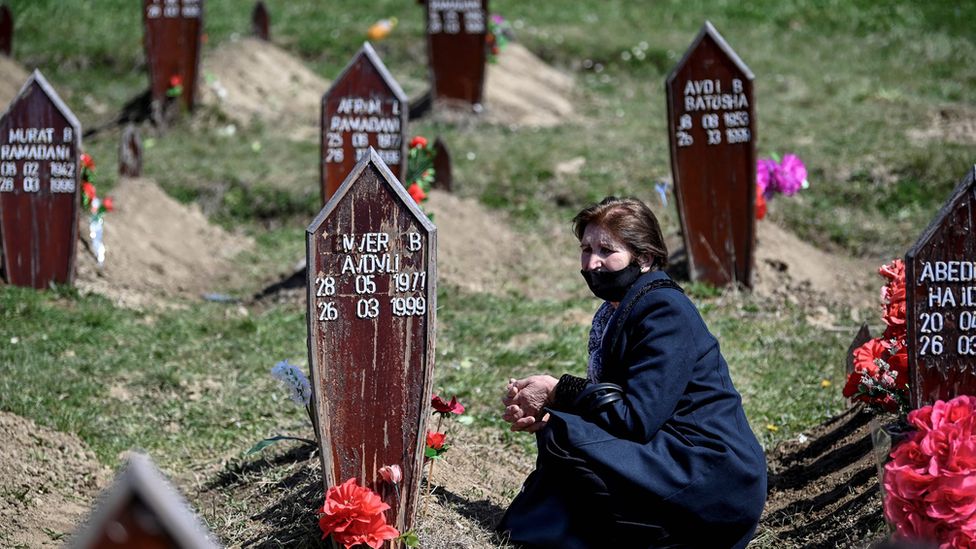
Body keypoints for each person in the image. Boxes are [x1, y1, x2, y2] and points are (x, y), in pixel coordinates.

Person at [497, 196, 767, 548]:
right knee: (562, 430)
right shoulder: (619, 310)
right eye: (586, 248)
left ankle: (666, 534)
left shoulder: (664, 311)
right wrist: (551, 410)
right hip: (675, 454)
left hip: (710, 474)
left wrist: (558, 391)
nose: (592, 262)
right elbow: (616, 406)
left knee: (568, 437)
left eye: (607, 251)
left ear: (645, 258)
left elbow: (636, 419)